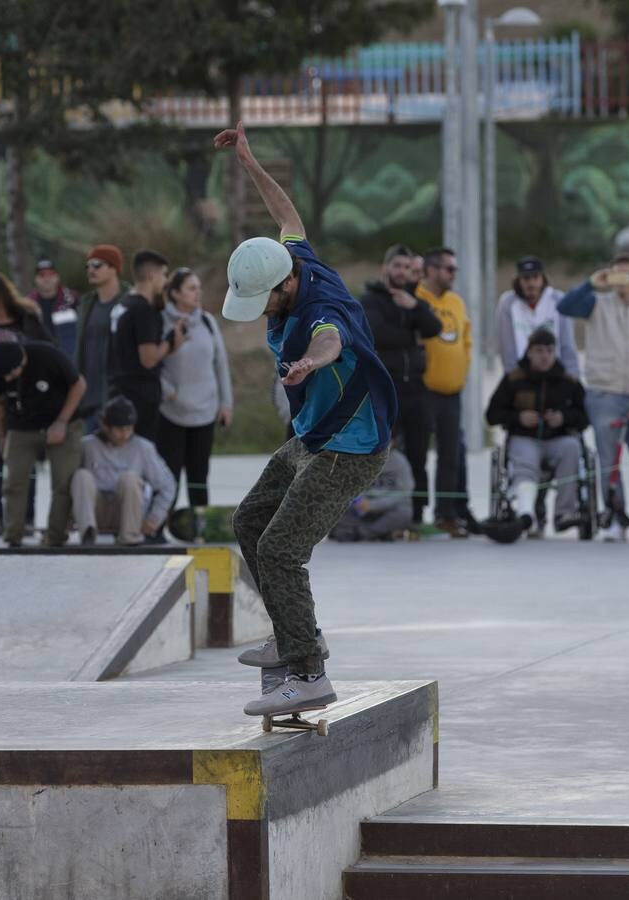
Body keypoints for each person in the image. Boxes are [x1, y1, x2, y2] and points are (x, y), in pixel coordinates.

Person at [215, 121, 397, 718]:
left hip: (352, 445)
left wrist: (305, 366)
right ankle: (293, 637)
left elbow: (331, 341)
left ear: (284, 287)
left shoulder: (319, 308)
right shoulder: (291, 255)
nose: (261, 313)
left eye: (263, 301)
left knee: (281, 550)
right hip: (314, 437)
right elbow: (285, 209)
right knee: (250, 522)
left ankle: (311, 672)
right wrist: (248, 159)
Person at [559, 255, 629, 541]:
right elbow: (564, 306)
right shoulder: (595, 304)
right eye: (617, 274)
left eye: (628, 275)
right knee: (609, 463)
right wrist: (592, 283)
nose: (622, 280)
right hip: (604, 394)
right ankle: (615, 518)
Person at [360, 243, 441, 524]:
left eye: (407, 267)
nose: (402, 272)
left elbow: (434, 328)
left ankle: (417, 514)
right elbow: (376, 334)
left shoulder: (415, 300)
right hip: (387, 389)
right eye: (397, 266)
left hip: (416, 388)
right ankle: (375, 512)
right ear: (386, 268)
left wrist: (415, 307)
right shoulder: (371, 300)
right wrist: (409, 334)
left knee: (419, 454)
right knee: (383, 453)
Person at [0, 272, 52, 537]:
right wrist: (2, 383)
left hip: (29, 399)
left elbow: (47, 349)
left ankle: (26, 518)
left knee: (26, 460)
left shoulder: (27, 319)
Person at [485, 328, 588, 536]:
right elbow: (492, 415)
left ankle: (564, 513)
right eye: (539, 351)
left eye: (549, 351)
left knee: (572, 448)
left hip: (558, 439)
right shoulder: (514, 379)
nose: (544, 356)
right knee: (525, 460)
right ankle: (526, 513)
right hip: (524, 438)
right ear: (529, 352)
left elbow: (585, 416)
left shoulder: (568, 382)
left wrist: (563, 418)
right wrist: (518, 417)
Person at [0, 339, 87, 548]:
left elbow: (79, 384)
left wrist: (61, 422)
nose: (7, 379)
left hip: (63, 420)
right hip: (22, 425)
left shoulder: (47, 356)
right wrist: (3, 436)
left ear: (22, 361)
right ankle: (13, 533)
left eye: (11, 374)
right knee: (15, 479)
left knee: (63, 480)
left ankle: (55, 536)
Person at [158, 267, 233, 510]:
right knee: (168, 476)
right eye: (191, 288)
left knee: (199, 476)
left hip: (205, 411)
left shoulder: (208, 322)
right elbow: (151, 364)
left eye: (198, 288)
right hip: (171, 412)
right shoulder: (160, 322)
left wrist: (226, 404)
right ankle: (159, 527)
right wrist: (169, 392)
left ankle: (199, 527)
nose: (197, 293)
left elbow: (220, 364)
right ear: (175, 293)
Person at [415, 247, 471, 537]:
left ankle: (446, 514)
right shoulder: (416, 298)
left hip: (452, 391)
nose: (453, 274)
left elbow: (466, 340)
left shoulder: (456, 302)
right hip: (424, 390)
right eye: (449, 269)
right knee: (419, 454)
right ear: (432, 270)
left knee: (451, 454)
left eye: (454, 269)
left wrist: (461, 371)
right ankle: (414, 514)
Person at [70, 396, 175, 546]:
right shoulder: (87, 446)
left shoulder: (143, 448)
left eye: (129, 429)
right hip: (97, 511)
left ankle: (130, 538)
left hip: (129, 513)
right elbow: (69, 485)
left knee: (130, 479)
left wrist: (155, 518)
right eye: (119, 429)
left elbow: (167, 485)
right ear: (106, 426)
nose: (125, 434)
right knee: (81, 476)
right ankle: (87, 534)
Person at [110, 249, 184, 443]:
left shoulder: (123, 303)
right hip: (140, 397)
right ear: (152, 275)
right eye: (164, 274)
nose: (165, 280)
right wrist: (170, 342)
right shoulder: (143, 309)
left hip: (119, 390)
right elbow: (149, 359)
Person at [495, 256, 580, 377]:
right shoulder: (508, 304)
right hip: (523, 373)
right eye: (526, 278)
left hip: (555, 372)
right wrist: (512, 378)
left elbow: (567, 343)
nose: (531, 283)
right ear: (519, 281)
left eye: (535, 277)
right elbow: (507, 347)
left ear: (542, 279)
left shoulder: (558, 300)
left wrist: (572, 375)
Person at [73, 244, 127, 430]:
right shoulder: (86, 303)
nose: (91, 270)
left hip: (119, 395)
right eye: (88, 266)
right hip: (88, 396)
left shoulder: (130, 301)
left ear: (114, 268)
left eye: (97, 265)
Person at [330, 447, 414, 542]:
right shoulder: (360, 455)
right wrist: (359, 500)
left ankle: (362, 533)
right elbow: (349, 484)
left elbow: (403, 492)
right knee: (336, 508)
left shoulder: (399, 461)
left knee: (404, 512)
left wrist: (373, 505)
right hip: (361, 508)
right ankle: (379, 532)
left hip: (385, 508)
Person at [26, 258, 78, 349]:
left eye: (51, 274)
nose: (47, 279)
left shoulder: (72, 299)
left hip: (68, 357)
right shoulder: (28, 304)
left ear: (57, 277)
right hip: (39, 356)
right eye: (42, 275)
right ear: (35, 279)